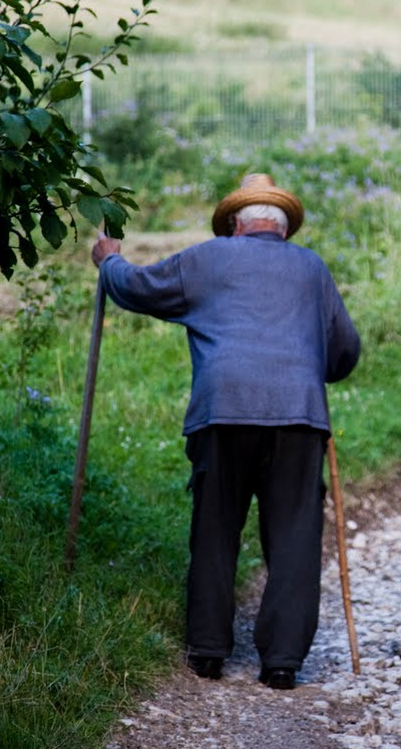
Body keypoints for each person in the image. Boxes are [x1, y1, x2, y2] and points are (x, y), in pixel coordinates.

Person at [91, 172, 361, 690]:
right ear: (282, 227)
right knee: (294, 539)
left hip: (224, 412)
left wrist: (110, 261)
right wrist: (307, 369)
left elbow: (136, 288)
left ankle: (209, 651)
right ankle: (281, 661)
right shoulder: (312, 268)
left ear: (237, 223)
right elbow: (345, 348)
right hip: (299, 418)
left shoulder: (208, 258)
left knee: (215, 528)